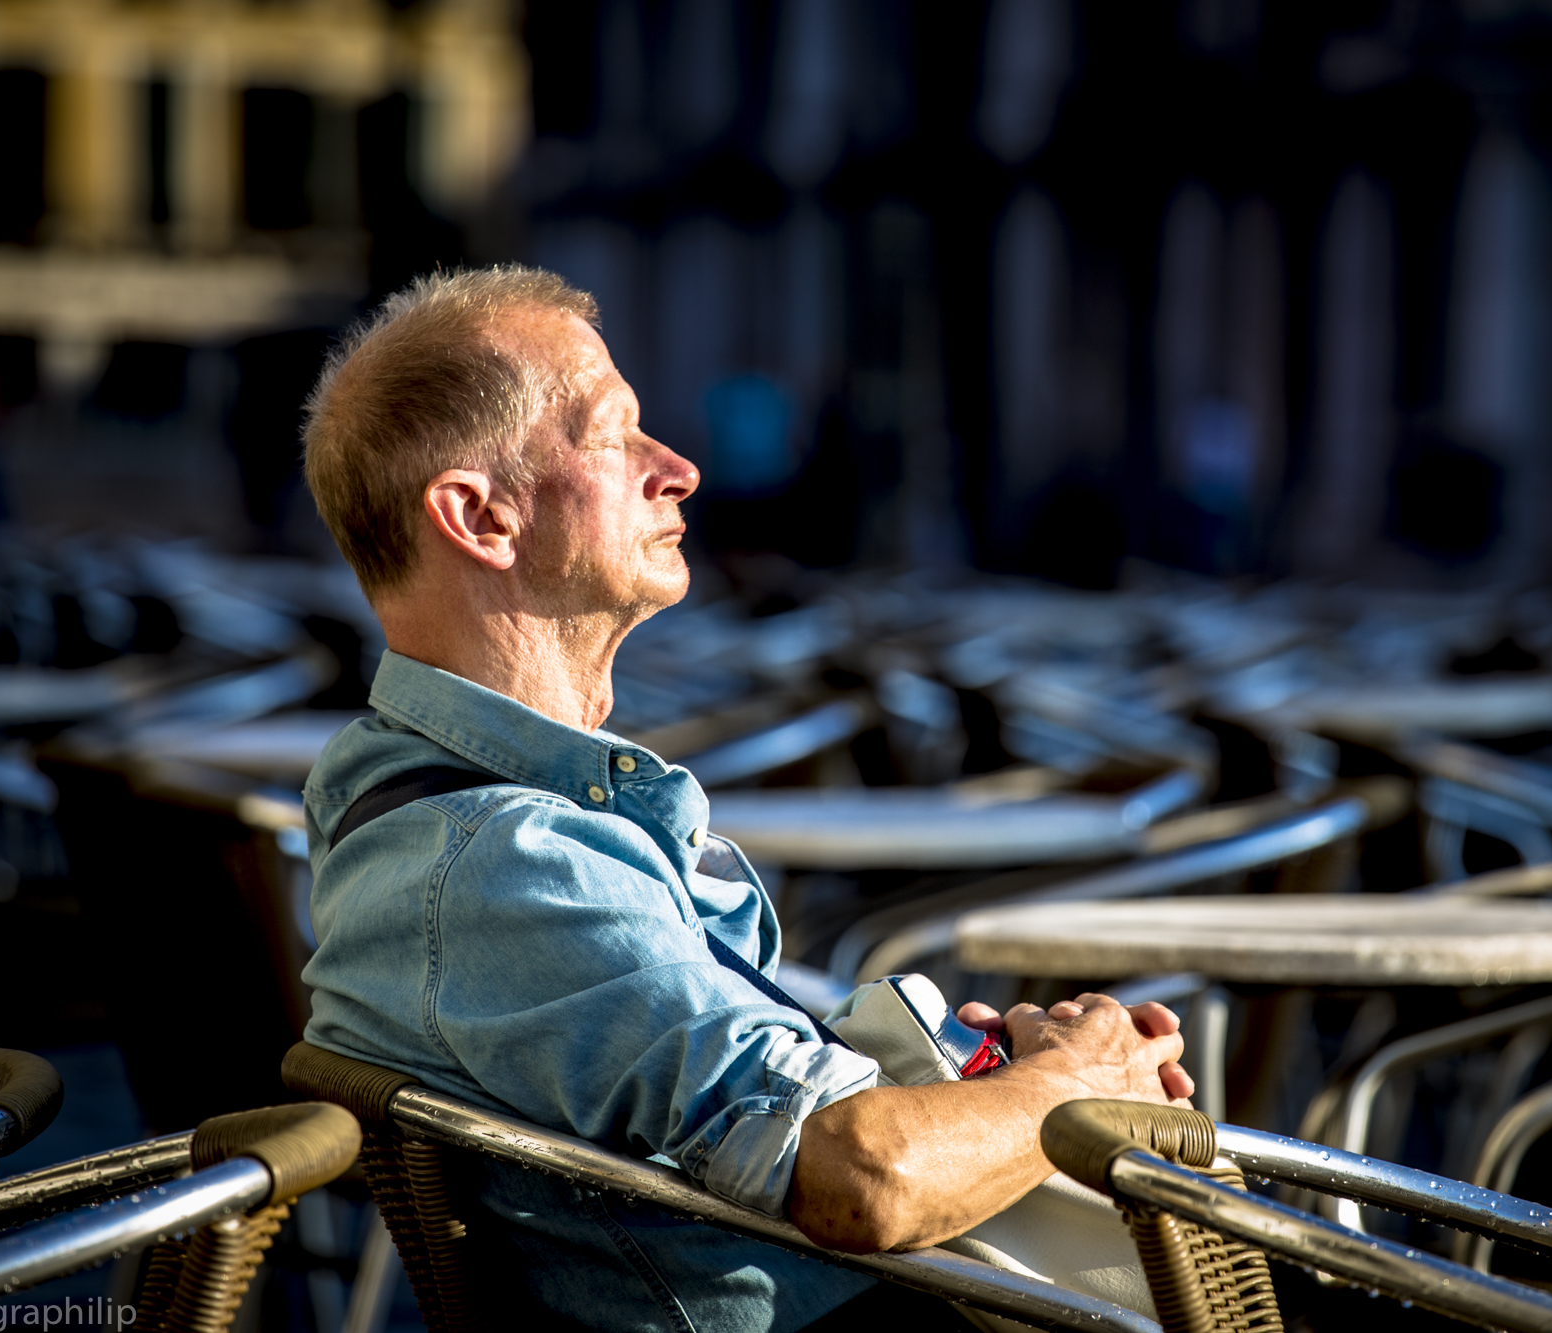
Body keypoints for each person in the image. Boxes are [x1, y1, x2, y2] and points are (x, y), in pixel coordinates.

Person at [298, 266, 1194, 1332]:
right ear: (480, 515)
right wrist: (1074, 1083)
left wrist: (987, 1088)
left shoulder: (450, 815)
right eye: (612, 433)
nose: (676, 469)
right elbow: (865, 1179)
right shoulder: (507, 859)